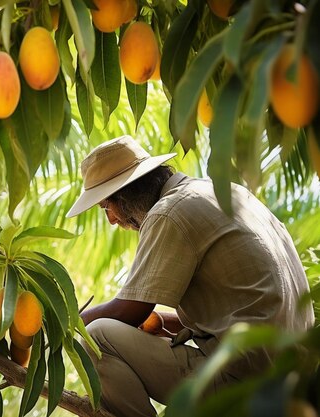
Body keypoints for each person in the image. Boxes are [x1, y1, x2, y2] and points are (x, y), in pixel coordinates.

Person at [67, 135, 314, 417]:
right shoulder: (225, 193)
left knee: (96, 337)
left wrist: (62, 322)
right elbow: (244, 308)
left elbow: (129, 311)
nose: (112, 220)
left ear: (126, 195)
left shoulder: (169, 212)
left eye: (106, 207)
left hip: (246, 381)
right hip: (294, 378)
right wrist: (164, 322)